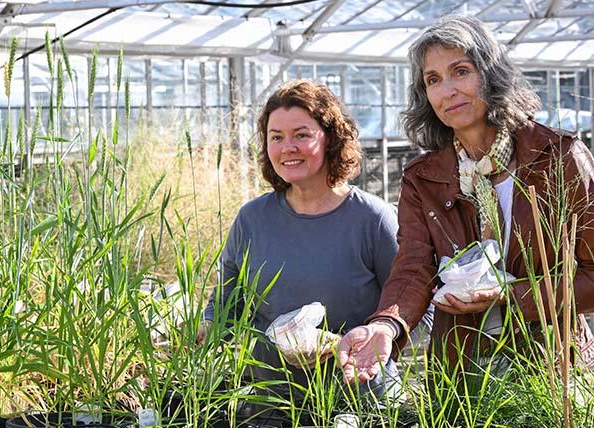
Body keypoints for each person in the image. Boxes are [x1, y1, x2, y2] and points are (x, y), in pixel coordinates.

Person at [338, 15, 594, 385]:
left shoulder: (558, 158)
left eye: (461, 71)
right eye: (433, 80)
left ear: (490, 74)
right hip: (461, 374)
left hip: (552, 375)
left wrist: (509, 294)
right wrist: (386, 324)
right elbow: (413, 268)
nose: (448, 91)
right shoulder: (423, 178)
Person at [199, 79, 405, 395]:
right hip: (272, 403)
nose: (287, 147)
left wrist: (373, 335)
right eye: (276, 137)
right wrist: (202, 329)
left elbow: (412, 306)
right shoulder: (252, 219)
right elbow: (227, 304)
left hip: (357, 400)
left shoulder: (373, 219)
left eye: (302, 135)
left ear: (331, 139)